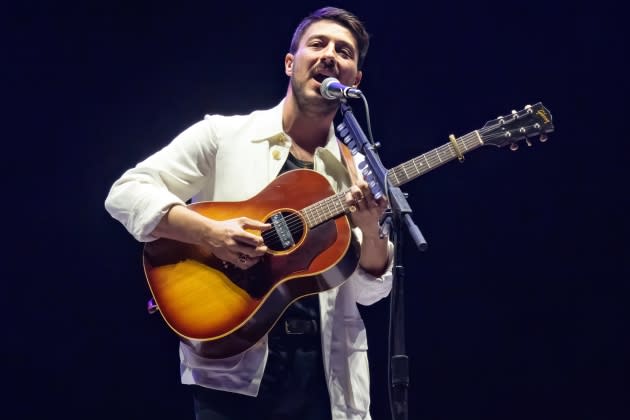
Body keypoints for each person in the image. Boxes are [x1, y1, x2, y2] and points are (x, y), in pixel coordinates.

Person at [105, 6, 394, 420]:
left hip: (329, 380)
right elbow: (126, 192)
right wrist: (209, 233)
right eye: (318, 44)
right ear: (290, 62)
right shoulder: (224, 135)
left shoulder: (359, 172)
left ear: (355, 80)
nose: (331, 55)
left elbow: (371, 292)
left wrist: (372, 230)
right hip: (234, 374)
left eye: (344, 52)